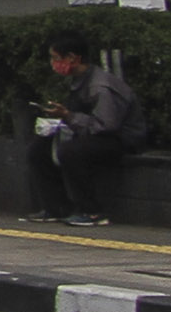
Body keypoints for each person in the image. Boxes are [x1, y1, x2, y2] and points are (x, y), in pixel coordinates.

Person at [26, 31, 141, 224]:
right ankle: (56, 207)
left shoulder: (99, 87)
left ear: (72, 57)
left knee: (71, 151)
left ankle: (92, 211)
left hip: (120, 138)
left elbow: (105, 125)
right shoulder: (81, 80)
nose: (54, 64)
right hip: (94, 133)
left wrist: (68, 116)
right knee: (39, 149)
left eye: (56, 58)